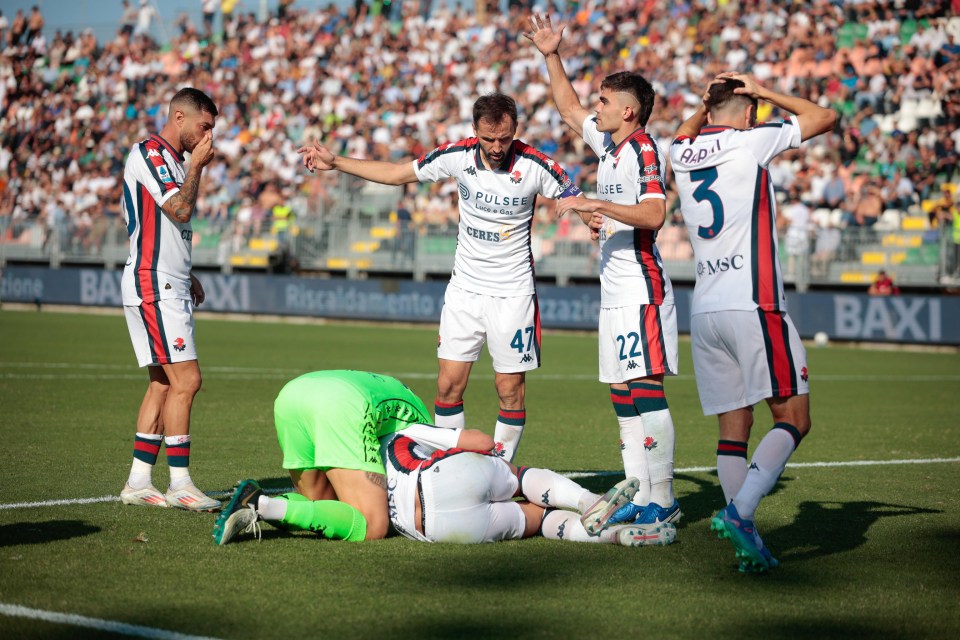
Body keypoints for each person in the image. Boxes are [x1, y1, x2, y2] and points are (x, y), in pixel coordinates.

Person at [297, 93, 583, 463]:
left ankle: (500, 469)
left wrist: (587, 216)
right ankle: (454, 465)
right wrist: (336, 163)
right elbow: (398, 174)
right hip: (464, 289)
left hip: (512, 293)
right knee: (448, 386)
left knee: (509, 389)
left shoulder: (534, 164)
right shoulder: (457, 156)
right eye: (488, 139)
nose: (497, 147)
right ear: (475, 131)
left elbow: (575, 195)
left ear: (516, 130)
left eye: (504, 139)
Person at [670, 73, 837, 572]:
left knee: (733, 429)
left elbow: (685, 130)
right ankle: (741, 513)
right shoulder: (752, 139)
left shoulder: (681, 152)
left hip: (705, 310)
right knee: (794, 418)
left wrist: (705, 107)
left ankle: (747, 535)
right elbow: (825, 117)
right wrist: (763, 91)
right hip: (754, 303)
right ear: (748, 114)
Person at [212, 370, 677, 547]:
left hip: (292, 396)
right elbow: (469, 439)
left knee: (315, 502)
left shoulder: (371, 446)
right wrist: (487, 449)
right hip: (430, 475)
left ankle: (272, 507)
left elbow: (332, 484)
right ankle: (591, 506)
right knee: (518, 486)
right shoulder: (406, 417)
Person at [524, 14, 681, 527]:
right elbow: (568, 108)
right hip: (613, 293)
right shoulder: (610, 147)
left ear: (629, 111)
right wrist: (551, 55)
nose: (595, 106)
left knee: (645, 392)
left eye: (604, 101)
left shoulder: (644, 149)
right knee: (621, 396)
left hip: (641, 288)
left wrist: (598, 205)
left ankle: (665, 497)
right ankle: (640, 493)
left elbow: (655, 214)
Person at [119, 87, 219, 511]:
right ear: (180, 118)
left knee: (163, 383)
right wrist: (196, 166)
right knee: (187, 380)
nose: (209, 136)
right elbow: (180, 209)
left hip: (167, 281)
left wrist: (187, 273)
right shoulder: (152, 152)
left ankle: (139, 481)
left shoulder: (171, 159)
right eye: (205, 126)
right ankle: (180, 484)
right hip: (154, 283)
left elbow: (166, 226)